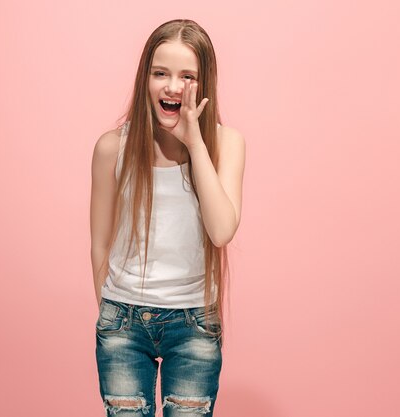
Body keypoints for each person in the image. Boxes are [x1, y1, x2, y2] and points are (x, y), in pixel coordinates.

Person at [89, 18, 245, 417]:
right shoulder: (112, 148)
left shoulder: (226, 144)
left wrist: (195, 142)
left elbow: (222, 229)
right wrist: (112, 314)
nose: (172, 86)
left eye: (187, 76)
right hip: (123, 323)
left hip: (194, 325)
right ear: (146, 78)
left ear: (204, 83)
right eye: (161, 73)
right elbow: (100, 244)